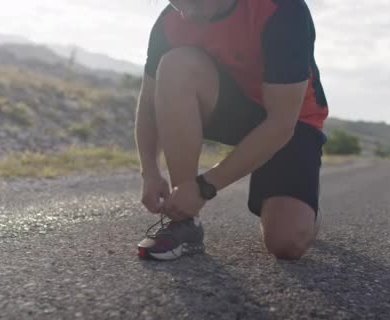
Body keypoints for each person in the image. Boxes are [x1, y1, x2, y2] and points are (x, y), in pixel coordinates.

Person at [135, 0, 329, 261]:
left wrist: (205, 187)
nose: (188, 12)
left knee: (286, 242)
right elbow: (149, 105)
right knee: (176, 63)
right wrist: (150, 171)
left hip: (292, 120)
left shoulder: (282, 9)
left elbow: (281, 123)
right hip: (231, 109)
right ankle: (185, 221)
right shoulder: (169, 22)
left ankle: (308, 209)